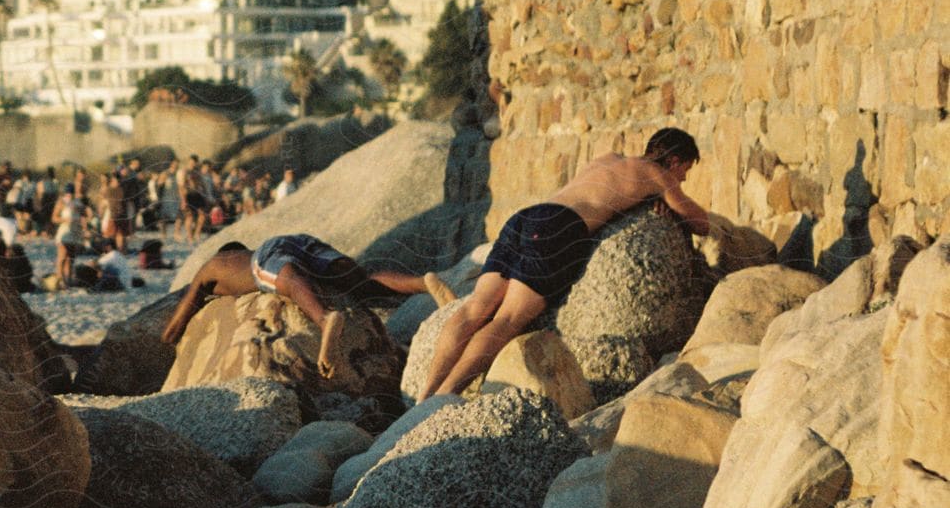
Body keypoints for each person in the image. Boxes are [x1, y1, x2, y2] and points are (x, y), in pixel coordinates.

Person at [417, 127, 719, 401]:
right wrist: (667, 197)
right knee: (507, 320)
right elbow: (701, 223)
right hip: (560, 229)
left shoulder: (607, 158)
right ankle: (444, 397)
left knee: (475, 309)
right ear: (676, 160)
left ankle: (425, 395)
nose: (683, 179)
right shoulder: (658, 175)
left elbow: (604, 191)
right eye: (685, 171)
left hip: (527, 218)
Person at [161, 233, 455, 377]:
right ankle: (423, 282)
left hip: (268, 255)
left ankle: (324, 319)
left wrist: (170, 341)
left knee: (288, 281)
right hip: (297, 239)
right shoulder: (242, 255)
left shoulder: (216, 265)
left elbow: (175, 323)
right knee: (360, 281)